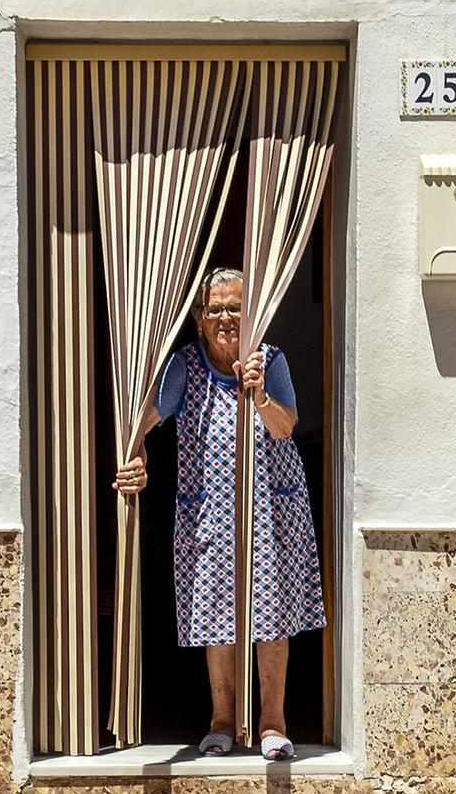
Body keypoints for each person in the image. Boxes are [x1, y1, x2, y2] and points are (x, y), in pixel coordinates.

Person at [113, 267, 326, 761]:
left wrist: (259, 395)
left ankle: (273, 723)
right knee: (218, 616)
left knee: (272, 616)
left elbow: (285, 426)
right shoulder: (184, 367)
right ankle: (223, 722)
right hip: (209, 513)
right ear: (198, 318)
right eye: (216, 309)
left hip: (270, 507)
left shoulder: (269, 361)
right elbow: (145, 418)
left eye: (236, 308)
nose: (226, 318)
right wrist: (135, 453)